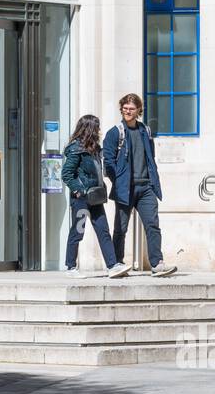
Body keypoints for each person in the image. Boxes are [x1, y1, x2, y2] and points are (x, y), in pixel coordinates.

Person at [102, 93, 177, 276]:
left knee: (152, 225)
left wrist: (152, 182)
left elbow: (150, 157)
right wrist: (119, 180)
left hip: (146, 187)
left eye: (131, 109)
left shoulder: (145, 131)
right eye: (125, 108)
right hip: (125, 188)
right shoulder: (115, 133)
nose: (127, 111)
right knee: (121, 229)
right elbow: (108, 162)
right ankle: (117, 264)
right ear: (121, 109)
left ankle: (157, 264)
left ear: (138, 111)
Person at [61, 115, 128, 278]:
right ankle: (70, 267)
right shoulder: (76, 149)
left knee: (103, 230)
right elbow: (66, 174)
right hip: (82, 199)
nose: (99, 130)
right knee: (78, 231)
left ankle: (112, 266)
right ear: (89, 129)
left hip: (96, 197)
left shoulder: (95, 149)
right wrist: (79, 190)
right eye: (96, 127)